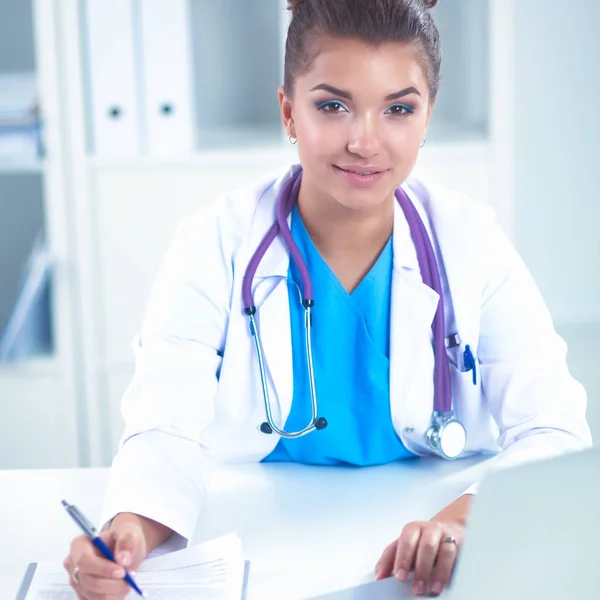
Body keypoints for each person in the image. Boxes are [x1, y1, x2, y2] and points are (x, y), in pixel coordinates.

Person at [63, 0, 592, 597]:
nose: (365, 142)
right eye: (332, 106)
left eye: (398, 109)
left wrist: (461, 521)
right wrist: (130, 529)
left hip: (415, 566)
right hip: (266, 553)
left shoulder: (471, 243)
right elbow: (164, 428)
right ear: (289, 111)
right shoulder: (213, 243)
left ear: (427, 116)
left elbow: (555, 429)